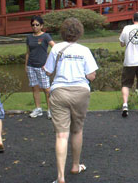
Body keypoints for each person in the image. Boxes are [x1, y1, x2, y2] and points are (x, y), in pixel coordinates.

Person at [44, 17, 98, 183]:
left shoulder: (56, 49)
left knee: (61, 135)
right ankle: (75, 165)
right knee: (77, 130)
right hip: (80, 92)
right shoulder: (84, 50)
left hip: (59, 91)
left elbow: (47, 71)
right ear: (80, 32)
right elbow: (92, 75)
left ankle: (60, 176)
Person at [25, 15, 55, 118]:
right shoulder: (29, 37)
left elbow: (54, 48)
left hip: (42, 66)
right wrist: (26, 65)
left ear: (41, 25)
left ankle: (50, 110)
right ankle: (38, 109)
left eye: (37, 25)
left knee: (47, 89)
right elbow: (28, 52)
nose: (35, 27)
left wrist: (48, 64)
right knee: (35, 88)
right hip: (31, 66)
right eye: (33, 25)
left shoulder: (46, 36)